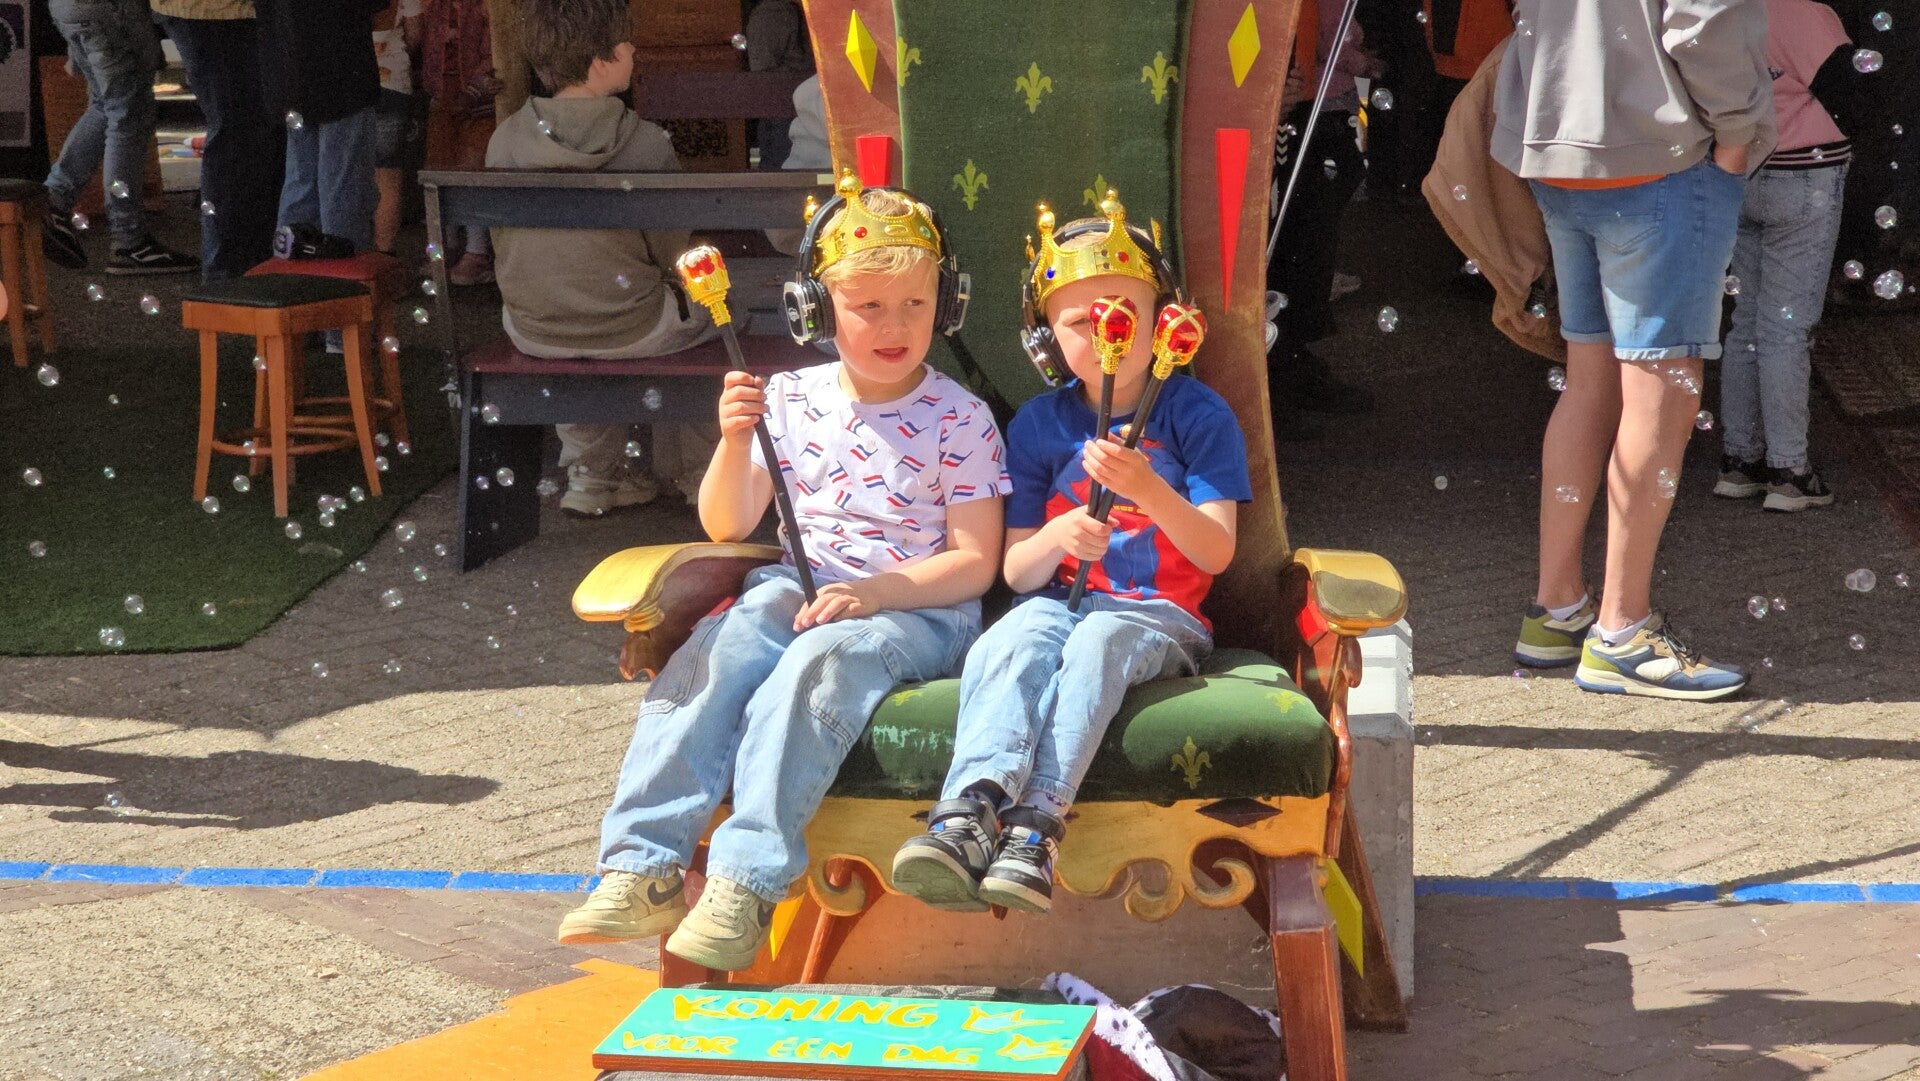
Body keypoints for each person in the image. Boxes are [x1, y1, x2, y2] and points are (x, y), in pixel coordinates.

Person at [555, 171, 1011, 971]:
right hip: (800, 586)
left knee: (814, 664)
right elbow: (726, 524)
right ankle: (641, 862)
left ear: (948, 304)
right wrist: (735, 442)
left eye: (916, 303)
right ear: (815, 308)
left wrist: (871, 594)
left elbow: (975, 563)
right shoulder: (790, 398)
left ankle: (745, 883)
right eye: (868, 306)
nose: (895, 324)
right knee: (719, 646)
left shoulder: (961, 418)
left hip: (915, 609)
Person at [892, 191, 1251, 914]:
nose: (1108, 333)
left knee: (1098, 639)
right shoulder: (1037, 425)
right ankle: (970, 808)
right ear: (1045, 341)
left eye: (1126, 313)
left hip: (1158, 616)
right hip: (1058, 601)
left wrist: (1148, 489)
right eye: (1081, 322)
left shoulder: (1198, 413)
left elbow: (1215, 552)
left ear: (1166, 321)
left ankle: (1037, 825)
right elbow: (1018, 572)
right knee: (1014, 635)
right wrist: (1058, 537)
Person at [1499, 0, 1774, 700]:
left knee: (1588, 379)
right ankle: (1621, 632)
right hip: (1661, 159)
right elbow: (1703, 21)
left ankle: (1556, 610)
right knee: (1663, 393)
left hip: (1562, 152)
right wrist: (1736, 137)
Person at [484, 0, 718, 517]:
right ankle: (698, 474)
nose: (634, 50)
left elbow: (508, 250)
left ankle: (591, 475)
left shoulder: (504, 140)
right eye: (625, 43)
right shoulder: (646, 144)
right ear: (600, 60)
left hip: (533, 327)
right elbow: (674, 257)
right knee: (715, 310)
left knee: (569, 297)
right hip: (636, 326)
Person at [1718, 0, 1861, 512]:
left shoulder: (1721, 9)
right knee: (1786, 327)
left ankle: (1740, 462)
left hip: (1739, 168)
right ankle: (1789, 470)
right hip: (1805, 176)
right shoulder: (1806, 12)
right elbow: (1854, 95)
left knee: (1746, 320)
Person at [1265, 0, 1383, 431]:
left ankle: (1291, 354)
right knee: (1282, 245)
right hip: (1268, 106)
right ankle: (1273, 372)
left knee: (1309, 241)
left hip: (1307, 105)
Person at [42, 0, 195, 273]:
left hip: (71, 8)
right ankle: (129, 239)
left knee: (107, 106)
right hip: (110, 10)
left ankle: (54, 200)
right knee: (128, 115)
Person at [150, 0, 283, 279]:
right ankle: (230, 278)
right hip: (219, 13)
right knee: (241, 137)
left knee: (250, 136)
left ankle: (239, 273)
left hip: (217, 13)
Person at [256, 0, 385, 256]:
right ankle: (342, 267)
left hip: (287, 63)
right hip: (341, 68)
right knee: (344, 185)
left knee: (301, 180)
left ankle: (290, 266)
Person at [420, 0, 495, 284]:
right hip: (443, 97)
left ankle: (477, 251)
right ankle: (447, 243)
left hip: (482, 102)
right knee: (439, 167)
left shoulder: (488, 7)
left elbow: (497, 55)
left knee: (471, 169)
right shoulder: (435, 7)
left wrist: (472, 92)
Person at [370, 0, 425, 255]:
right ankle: (384, 252)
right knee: (388, 175)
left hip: (349, 85)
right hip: (392, 80)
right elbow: (415, 33)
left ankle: (354, 251)